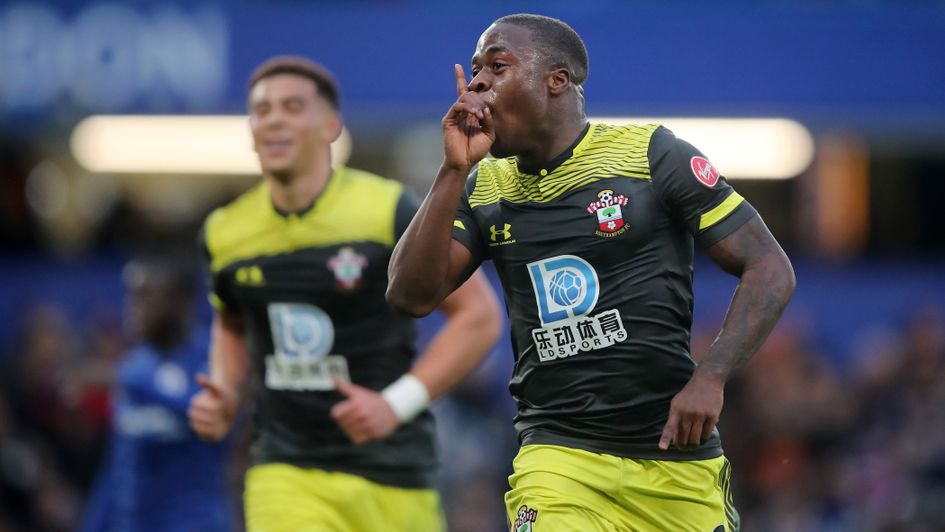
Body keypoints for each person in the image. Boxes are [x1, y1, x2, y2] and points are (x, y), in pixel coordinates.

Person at [386, 13, 796, 531]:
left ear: (556, 80)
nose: (478, 82)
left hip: (675, 462)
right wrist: (452, 171)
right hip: (559, 460)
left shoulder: (650, 155)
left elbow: (769, 266)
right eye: (475, 70)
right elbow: (409, 295)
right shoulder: (482, 186)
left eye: (497, 65)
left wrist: (712, 373)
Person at [187, 55, 502, 532]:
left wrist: (394, 404)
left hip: (394, 472)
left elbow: (478, 318)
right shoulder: (224, 231)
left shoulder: (386, 209)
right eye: (261, 109)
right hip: (285, 469)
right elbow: (232, 320)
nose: (273, 118)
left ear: (331, 126)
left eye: (292, 106)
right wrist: (226, 390)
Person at [81, 257, 234, 532]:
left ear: (183, 303)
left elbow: (216, 422)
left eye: (148, 298)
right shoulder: (135, 364)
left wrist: (131, 380)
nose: (134, 309)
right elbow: (118, 465)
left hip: (193, 523)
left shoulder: (212, 358)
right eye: (132, 297)